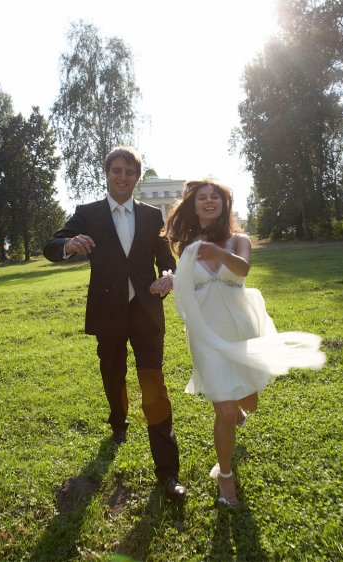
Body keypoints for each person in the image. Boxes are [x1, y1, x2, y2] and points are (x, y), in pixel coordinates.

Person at [151, 179, 325, 506]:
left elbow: (242, 270)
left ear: (223, 204)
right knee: (226, 411)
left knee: (248, 401)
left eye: (215, 197)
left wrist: (220, 252)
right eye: (202, 197)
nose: (209, 201)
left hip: (240, 328)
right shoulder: (186, 247)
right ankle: (225, 477)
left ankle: (239, 409)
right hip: (205, 333)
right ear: (193, 206)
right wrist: (170, 280)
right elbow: (186, 279)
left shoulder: (239, 240)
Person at [42, 146, 185, 500]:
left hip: (146, 311)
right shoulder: (87, 214)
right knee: (112, 373)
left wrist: (169, 276)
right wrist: (70, 243)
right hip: (107, 312)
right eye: (116, 171)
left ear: (137, 177)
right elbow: (50, 244)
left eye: (129, 172)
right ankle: (118, 422)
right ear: (106, 174)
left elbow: (167, 260)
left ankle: (168, 473)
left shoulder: (152, 216)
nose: (123, 177)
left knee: (154, 386)